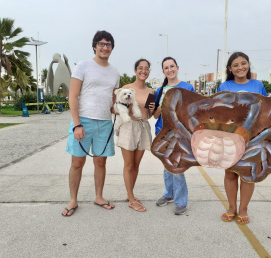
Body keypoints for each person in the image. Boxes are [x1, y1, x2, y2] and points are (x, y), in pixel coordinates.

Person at [62, 30, 119, 216]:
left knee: (100, 162)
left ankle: (99, 196)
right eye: (101, 44)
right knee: (77, 162)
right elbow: (73, 95)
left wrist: (121, 110)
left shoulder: (115, 72)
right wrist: (77, 124)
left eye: (108, 44)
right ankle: (73, 200)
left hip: (104, 123)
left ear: (112, 48)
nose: (105, 47)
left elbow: (112, 101)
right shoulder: (83, 66)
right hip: (83, 121)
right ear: (94, 46)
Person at [217, 51, 267, 224]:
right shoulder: (224, 87)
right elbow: (218, 113)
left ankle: (243, 209)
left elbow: (266, 111)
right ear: (230, 68)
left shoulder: (258, 85)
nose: (240, 67)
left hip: (253, 138)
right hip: (230, 137)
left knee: (248, 174)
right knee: (230, 174)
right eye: (236, 65)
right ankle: (232, 207)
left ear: (248, 64)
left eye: (243, 63)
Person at [153, 57, 195, 215]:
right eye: (166, 68)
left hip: (180, 132)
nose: (169, 69)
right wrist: (163, 104)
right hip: (162, 132)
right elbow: (155, 115)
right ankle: (169, 194)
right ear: (163, 71)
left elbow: (193, 111)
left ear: (177, 68)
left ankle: (181, 201)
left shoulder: (187, 87)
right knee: (166, 164)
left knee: (177, 165)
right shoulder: (160, 90)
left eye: (172, 66)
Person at [116, 59, 155, 212]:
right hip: (128, 126)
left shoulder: (151, 91)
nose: (143, 71)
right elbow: (114, 108)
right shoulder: (126, 88)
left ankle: (129, 194)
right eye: (140, 68)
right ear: (135, 70)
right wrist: (128, 109)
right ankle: (132, 199)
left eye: (146, 69)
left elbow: (150, 114)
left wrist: (153, 109)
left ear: (149, 71)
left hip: (143, 127)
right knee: (129, 164)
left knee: (137, 165)